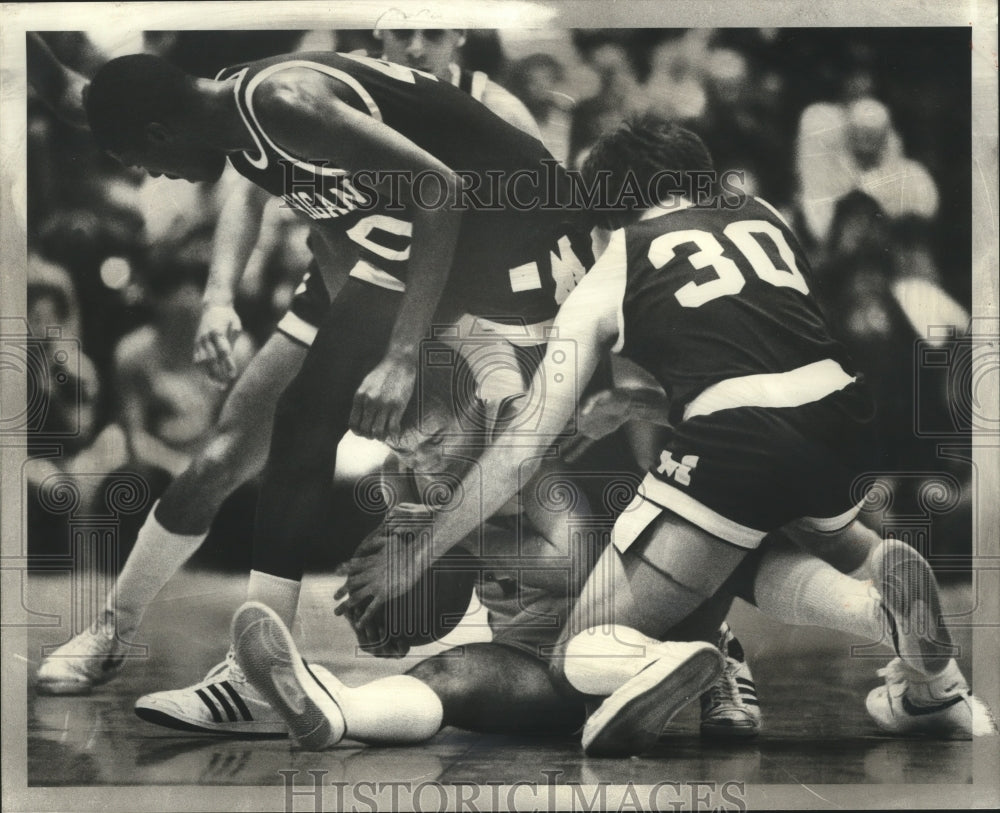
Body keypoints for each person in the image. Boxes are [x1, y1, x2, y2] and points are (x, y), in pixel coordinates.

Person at [341, 114, 994, 752]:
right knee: (800, 534)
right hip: (837, 416)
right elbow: (758, 354)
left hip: (735, 445)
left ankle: (667, 659)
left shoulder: (616, 260)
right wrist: (637, 403)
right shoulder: (764, 214)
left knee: (579, 652)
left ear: (608, 210)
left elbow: (518, 448)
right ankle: (924, 665)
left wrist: (418, 552)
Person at [36, 48, 591, 697]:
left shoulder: (285, 104)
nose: (157, 176)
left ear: (157, 133)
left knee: (331, 419)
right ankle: (118, 628)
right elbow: (75, 95)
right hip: (377, 244)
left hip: (493, 240)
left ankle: (260, 668)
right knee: (233, 450)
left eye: (141, 161)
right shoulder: (223, 115)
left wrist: (400, 354)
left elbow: (440, 188)